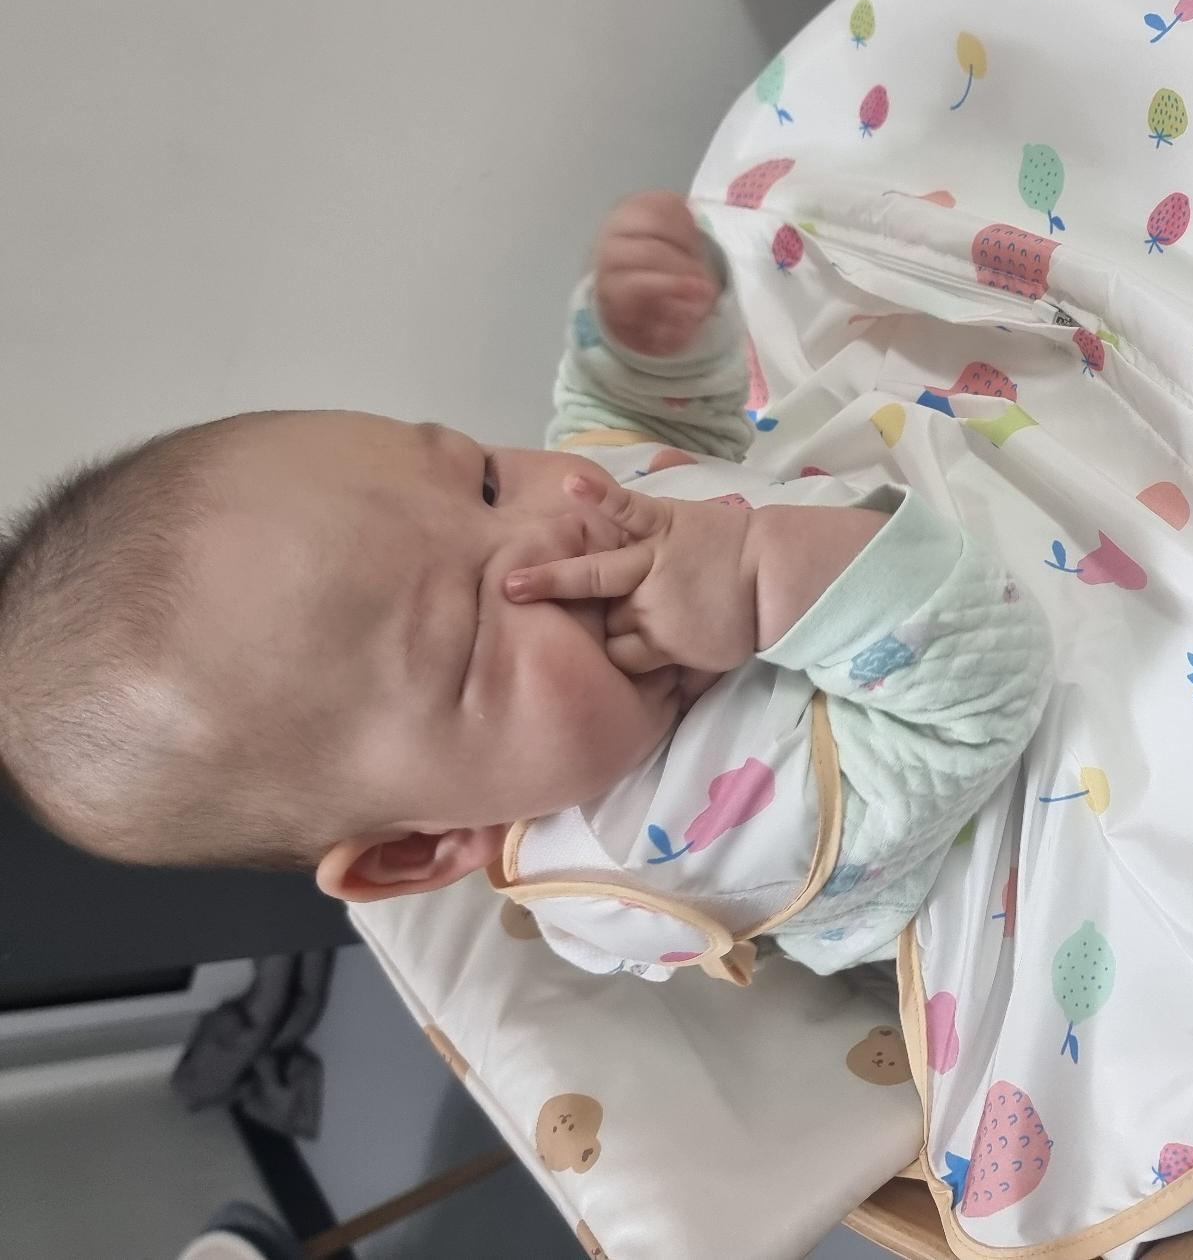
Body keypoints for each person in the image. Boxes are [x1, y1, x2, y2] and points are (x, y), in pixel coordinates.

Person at [0, 191, 1051, 971]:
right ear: (419, 851)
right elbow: (981, 699)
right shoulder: (668, 845)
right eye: (467, 632)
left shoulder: (566, 518)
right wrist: (755, 575)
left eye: (482, 476)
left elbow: (634, 441)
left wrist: (644, 348)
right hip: (1044, 795)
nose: (559, 519)